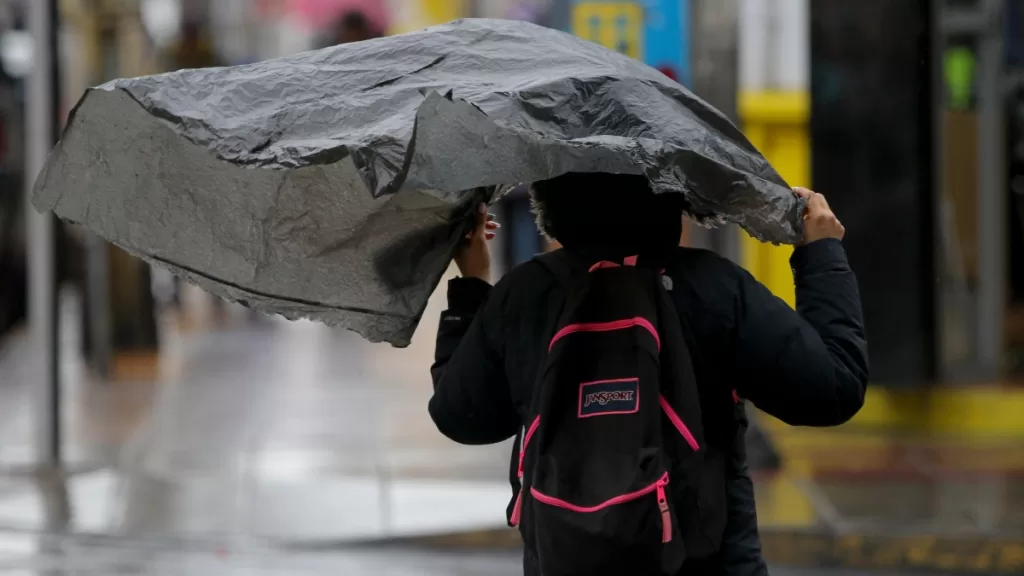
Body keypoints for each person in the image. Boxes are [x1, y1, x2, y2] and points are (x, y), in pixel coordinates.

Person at [429, 172, 868, 575]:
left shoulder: (525, 295)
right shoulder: (713, 288)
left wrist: (473, 284)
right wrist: (820, 252)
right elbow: (833, 388)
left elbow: (461, 415)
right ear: (667, 187)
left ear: (554, 194)